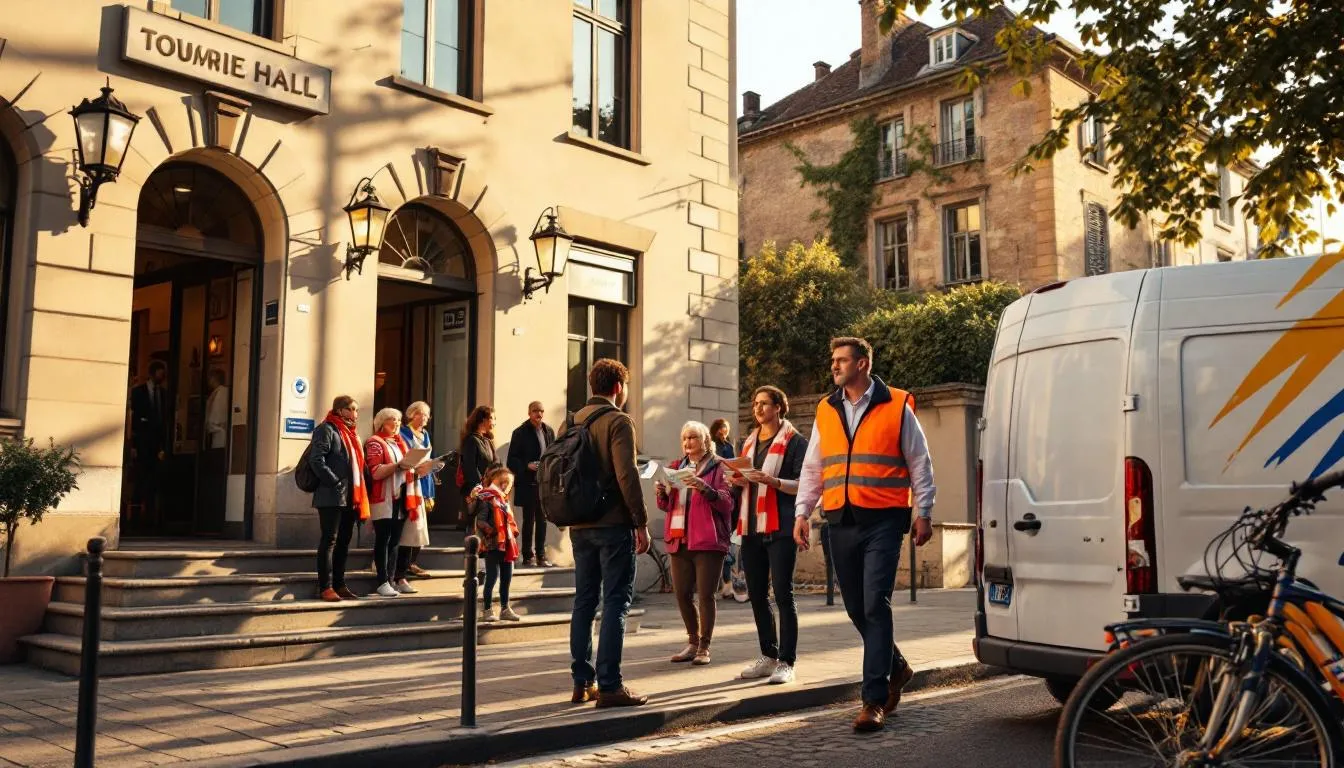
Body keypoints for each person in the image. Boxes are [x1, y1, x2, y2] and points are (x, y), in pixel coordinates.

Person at [793, 337, 936, 733]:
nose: (834, 366)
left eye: (841, 360)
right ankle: (897, 666)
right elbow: (814, 466)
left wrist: (923, 512)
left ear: (862, 364)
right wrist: (803, 511)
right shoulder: (827, 408)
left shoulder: (897, 405)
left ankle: (873, 699)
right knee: (856, 606)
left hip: (885, 520)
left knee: (875, 604)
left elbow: (920, 462)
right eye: (832, 360)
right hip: (841, 519)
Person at [565, 358, 650, 708]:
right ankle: (611, 686)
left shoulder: (570, 422)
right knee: (616, 601)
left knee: (584, 601)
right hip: (613, 523)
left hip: (579, 524)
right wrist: (640, 521)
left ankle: (582, 682)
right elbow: (627, 475)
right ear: (618, 387)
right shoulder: (618, 421)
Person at [729, 385, 808, 685]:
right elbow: (745, 481)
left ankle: (787, 661)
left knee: (784, 594)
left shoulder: (795, 442)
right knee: (757, 595)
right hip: (750, 527)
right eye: (755, 404)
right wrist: (736, 479)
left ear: (779, 407)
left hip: (781, 526)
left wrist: (773, 481)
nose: (758, 408)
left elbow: (803, 483)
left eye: (764, 403)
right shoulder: (748, 443)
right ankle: (768, 655)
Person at [655, 421, 734, 666]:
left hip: (708, 540)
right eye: (685, 439)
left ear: (705, 440)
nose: (688, 443)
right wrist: (662, 493)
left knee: (706, 595)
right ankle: (692, 642)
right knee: (681, 594)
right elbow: (667, 506)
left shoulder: (719, 466)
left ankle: (704, 647)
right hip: (680, 539)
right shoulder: (676, 467)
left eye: (693, 438)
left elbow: (727, 503)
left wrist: (705, 488)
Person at [308, 395, 369, 602]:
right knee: (330, 540)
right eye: (351, 409)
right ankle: (325, 586)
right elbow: (317, 460)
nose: (355, 413)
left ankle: (340, 584)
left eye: (356, 410)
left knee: (344, 541)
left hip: (351, 496)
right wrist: (334, 481)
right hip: (331, 495)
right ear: (340, 410)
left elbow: (359, 466)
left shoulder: (352, 434)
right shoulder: (327, 429)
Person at [365, 408, 428, 597]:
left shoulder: (400, 443)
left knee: (395, 542)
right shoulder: (374, 442)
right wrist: (398, 466)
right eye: (393, 420)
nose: (397, 423)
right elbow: (375, 471)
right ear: (382, 422)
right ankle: (382, 580)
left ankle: (392, 579)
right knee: (383, 540)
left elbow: (407, 469)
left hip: (400, 498)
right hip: (383, 498)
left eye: (399, 420)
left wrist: (423, 468)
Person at [507, 401, 556, 566]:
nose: (539, 414)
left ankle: (541, 555)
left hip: (544, 482)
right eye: (535, 411)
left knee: (543, 519)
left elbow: (554, 454)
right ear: (529, 413)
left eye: (541, 411)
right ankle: (528, 555)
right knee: (529, 519)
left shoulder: (548, 431)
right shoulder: (520, 433)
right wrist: (526, 465)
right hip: (528, 482)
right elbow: (511, 460)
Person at [472, 465, 522, 622]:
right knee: (492, 577)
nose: (506, 486)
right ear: (497, 481)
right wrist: (492, 532)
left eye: (508, 483)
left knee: (507, 578)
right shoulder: (487, 497)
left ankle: (505, 608)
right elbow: (480, 521)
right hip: (493, 545)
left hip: (507, 544)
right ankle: (487, 610)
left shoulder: (502, 499)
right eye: (504, 482)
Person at [398, 401, 441, 580]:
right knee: (409, 525)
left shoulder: (425, 434)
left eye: (426, 415)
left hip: (424, 481)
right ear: (411, 414)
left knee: (421, 525)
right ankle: (402, 563)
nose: (423, 418)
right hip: (408, 481)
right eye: (420, 414)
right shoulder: (402, 432)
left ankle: (412, 561)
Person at [129, 360, 171, 518]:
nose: (162, 377)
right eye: (160, 374)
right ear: (152, 374)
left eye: (163, 374)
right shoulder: (138, 392)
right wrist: (133, 444)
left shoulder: (165, 394)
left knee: (154, 481)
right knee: (140, 479)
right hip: (141, 443)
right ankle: (134, 515)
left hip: (156, 444)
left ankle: (151, 515)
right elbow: (134, 418)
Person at [709, 418, 739, 599]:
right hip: (718, 486)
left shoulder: (729, 445)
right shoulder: (713, 445)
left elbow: (733, 464)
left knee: (729, 540)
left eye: (726, 429)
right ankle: (722, 582)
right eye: (722, 429)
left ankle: (728, 582)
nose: (724, 432)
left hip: (729, 487)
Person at [459, 405, 497, 528]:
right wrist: (479, 488)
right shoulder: (471, 440)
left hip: (489, 490)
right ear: (482, 420)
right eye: (492, 418)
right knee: (475, 528)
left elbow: (494, 464)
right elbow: (470, 467)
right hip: (476, 491)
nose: (494, 422)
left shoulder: (487, 441)